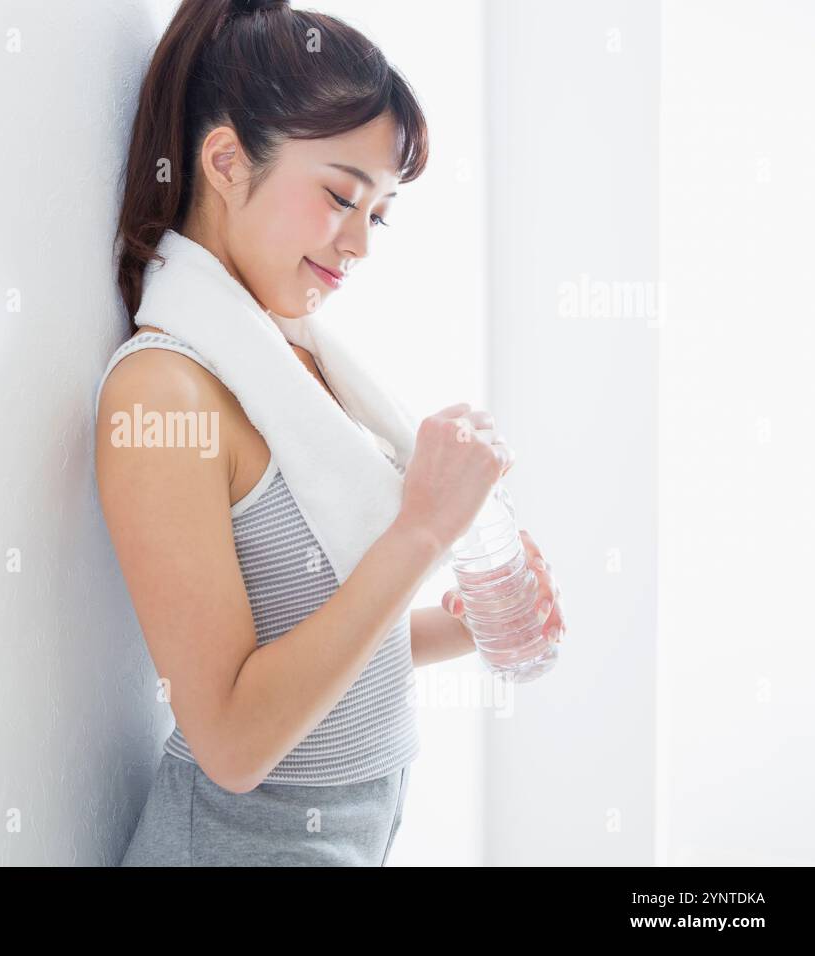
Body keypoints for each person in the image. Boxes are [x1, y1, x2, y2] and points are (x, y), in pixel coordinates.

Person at [96, 0, 567, 866]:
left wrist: (461, 625)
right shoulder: (160, 394)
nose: (359, 246)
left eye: (378, 214)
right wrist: (422, 529)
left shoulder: (298, 362)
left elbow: (309, 642)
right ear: (227, 161)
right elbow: (234, 741)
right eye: (342, 197)